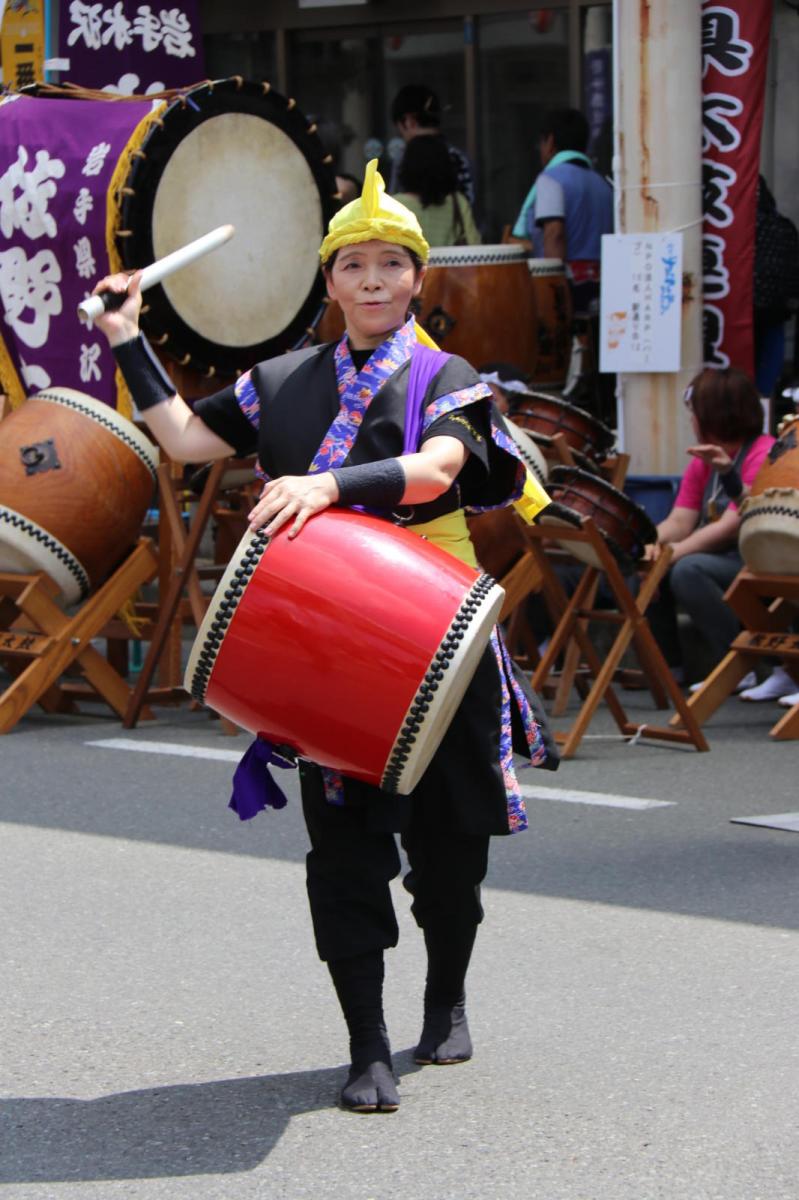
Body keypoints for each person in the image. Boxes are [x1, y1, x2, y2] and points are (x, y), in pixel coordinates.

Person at [91, 161, 556, 1116]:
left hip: (436, 630)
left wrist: (327, 485)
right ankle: (365, 1041)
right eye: (355, 266)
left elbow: (435, 471)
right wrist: (128, 336)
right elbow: (181, 439)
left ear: (417, 279)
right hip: (326, 642)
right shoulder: (281, 382)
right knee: (342, 854)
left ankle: (446, 994)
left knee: (450, 851)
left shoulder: (444, 375)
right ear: (329, 280)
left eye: (392, 264)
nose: (375, 281)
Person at [643, 368, 774, 687]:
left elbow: (731, 525)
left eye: (695, 412)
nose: (692, 421)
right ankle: (667, 669)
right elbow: (680, 520)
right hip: (723, 555)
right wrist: (648, 545)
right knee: (644, 565)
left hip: (754, 556)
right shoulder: (702, 460)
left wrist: (667, 556)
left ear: (716, 414)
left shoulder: (764, 452)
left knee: (687, 570)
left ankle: (742, 664)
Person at [389, 83, 475, 206]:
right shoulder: (458, 157)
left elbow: (393, 207)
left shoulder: (404, 158)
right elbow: (469, 203)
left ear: (409, 122)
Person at [393, 134, 480, 248]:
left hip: (412, 265)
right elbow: (474, 243)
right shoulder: (457, 201)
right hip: (450, 265)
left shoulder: (394, 205)